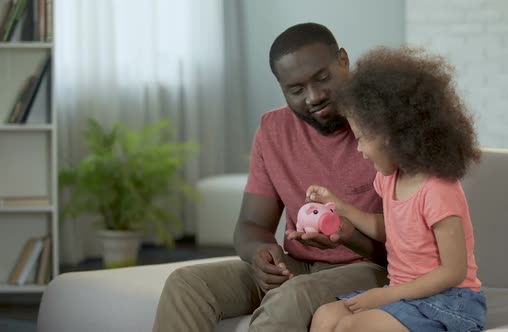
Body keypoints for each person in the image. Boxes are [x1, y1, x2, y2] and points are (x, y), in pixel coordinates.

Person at [152, 23, 389, 332]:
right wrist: (260, 254)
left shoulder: (387, 125)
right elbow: (251, 226)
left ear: (343, 60)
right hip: (300, 266)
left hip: (372, 269)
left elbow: (410, 244)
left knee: (291, 296)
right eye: (296, 90)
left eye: (323, 78)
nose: (314, 96)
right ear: (281, 87)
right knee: (186, 285)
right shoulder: (273, 129)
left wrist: (348, 236)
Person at [308, 47, 487, 332]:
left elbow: (454, 271)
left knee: (351, 327)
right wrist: (341, 207)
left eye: (362, 138)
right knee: (325, 317)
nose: (360, 149)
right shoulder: (389, 178)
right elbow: (393, 230)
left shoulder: (439, 189)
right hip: (403, 294)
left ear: (396, 134)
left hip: (451, 300)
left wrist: (388, 295)